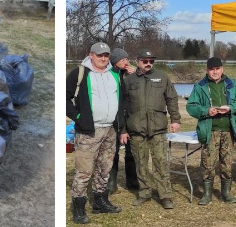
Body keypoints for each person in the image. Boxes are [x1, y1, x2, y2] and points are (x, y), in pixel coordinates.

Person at [66, 42, 124, 224]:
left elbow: (121, 99)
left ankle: (100, 202)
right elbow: (64, 98)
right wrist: (79, 117)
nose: (103, 58)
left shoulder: (114, 75)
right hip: (88, 132)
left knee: (105, 168)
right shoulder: (80, 73)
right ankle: (79, 208)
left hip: (110, 130)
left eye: (106, 55)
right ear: (91, 55)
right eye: (100, 55)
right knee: (84, 171)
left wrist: (119, 123)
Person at [121, 49, 181, 210]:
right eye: (145, 61)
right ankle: (145, 192)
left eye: (151, 61)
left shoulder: (162, 77)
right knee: (140, 164)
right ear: (138, 61)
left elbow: (172, 98)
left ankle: (165, 196)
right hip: (136, 129)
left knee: (160, 163)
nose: (148, 64)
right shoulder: (129, 80)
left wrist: (175, 119)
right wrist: (124, 130)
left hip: (158, 129)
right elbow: (123, 107)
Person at [186, 57, 236, 205]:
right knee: (208, 163)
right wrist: (206, 111)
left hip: (228, 130)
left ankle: (226, 193)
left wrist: (231, 108)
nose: (215, 72)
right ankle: (207, 194)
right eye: (212, 69)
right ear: (207, 71)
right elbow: (191, 106)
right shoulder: (200, 86)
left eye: (217, 68)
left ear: (222, 69)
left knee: (227, 163)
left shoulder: (232, 84)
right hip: (209, 130)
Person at [107, 48, 138, 194]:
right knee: (113, 150)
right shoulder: (110, 74)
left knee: (131, 151)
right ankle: (111, 182)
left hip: (130, 115)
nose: (125, 62)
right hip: (115, 117)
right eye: (122, 60)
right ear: (115, 62)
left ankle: (132, 181)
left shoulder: (131, 74)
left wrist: (137, 74)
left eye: (126, 59)